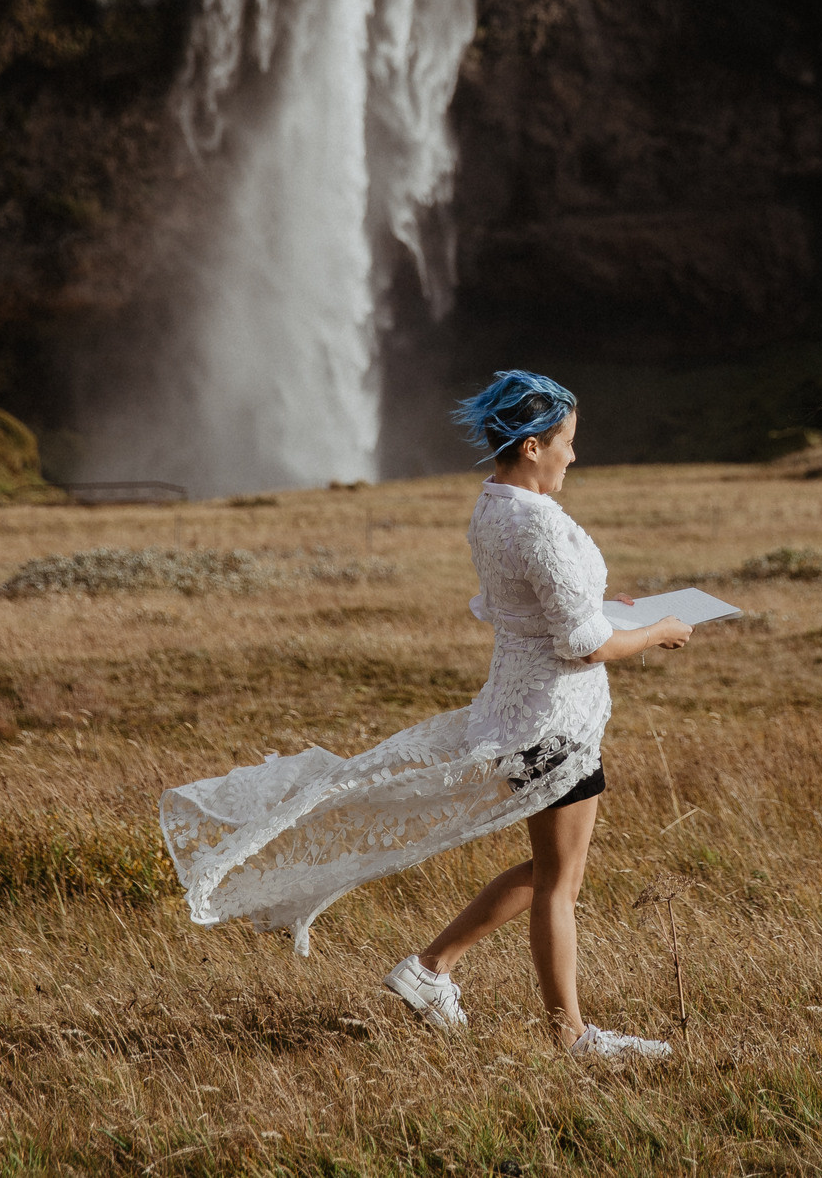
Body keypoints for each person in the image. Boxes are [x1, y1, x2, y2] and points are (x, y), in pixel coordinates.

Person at [159, 370, 692, 1061]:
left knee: (550, 869)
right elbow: (583, 644)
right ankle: (568, 1033)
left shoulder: (493, 504)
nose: (573, 456)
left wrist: (610, 606)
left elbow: (535, 608)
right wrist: (655, 632)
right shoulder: (538, 527)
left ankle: (433, 968)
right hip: (554, 726)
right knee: (559, 881)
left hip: (519, 711)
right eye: (567, 443)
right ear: (532, 446)